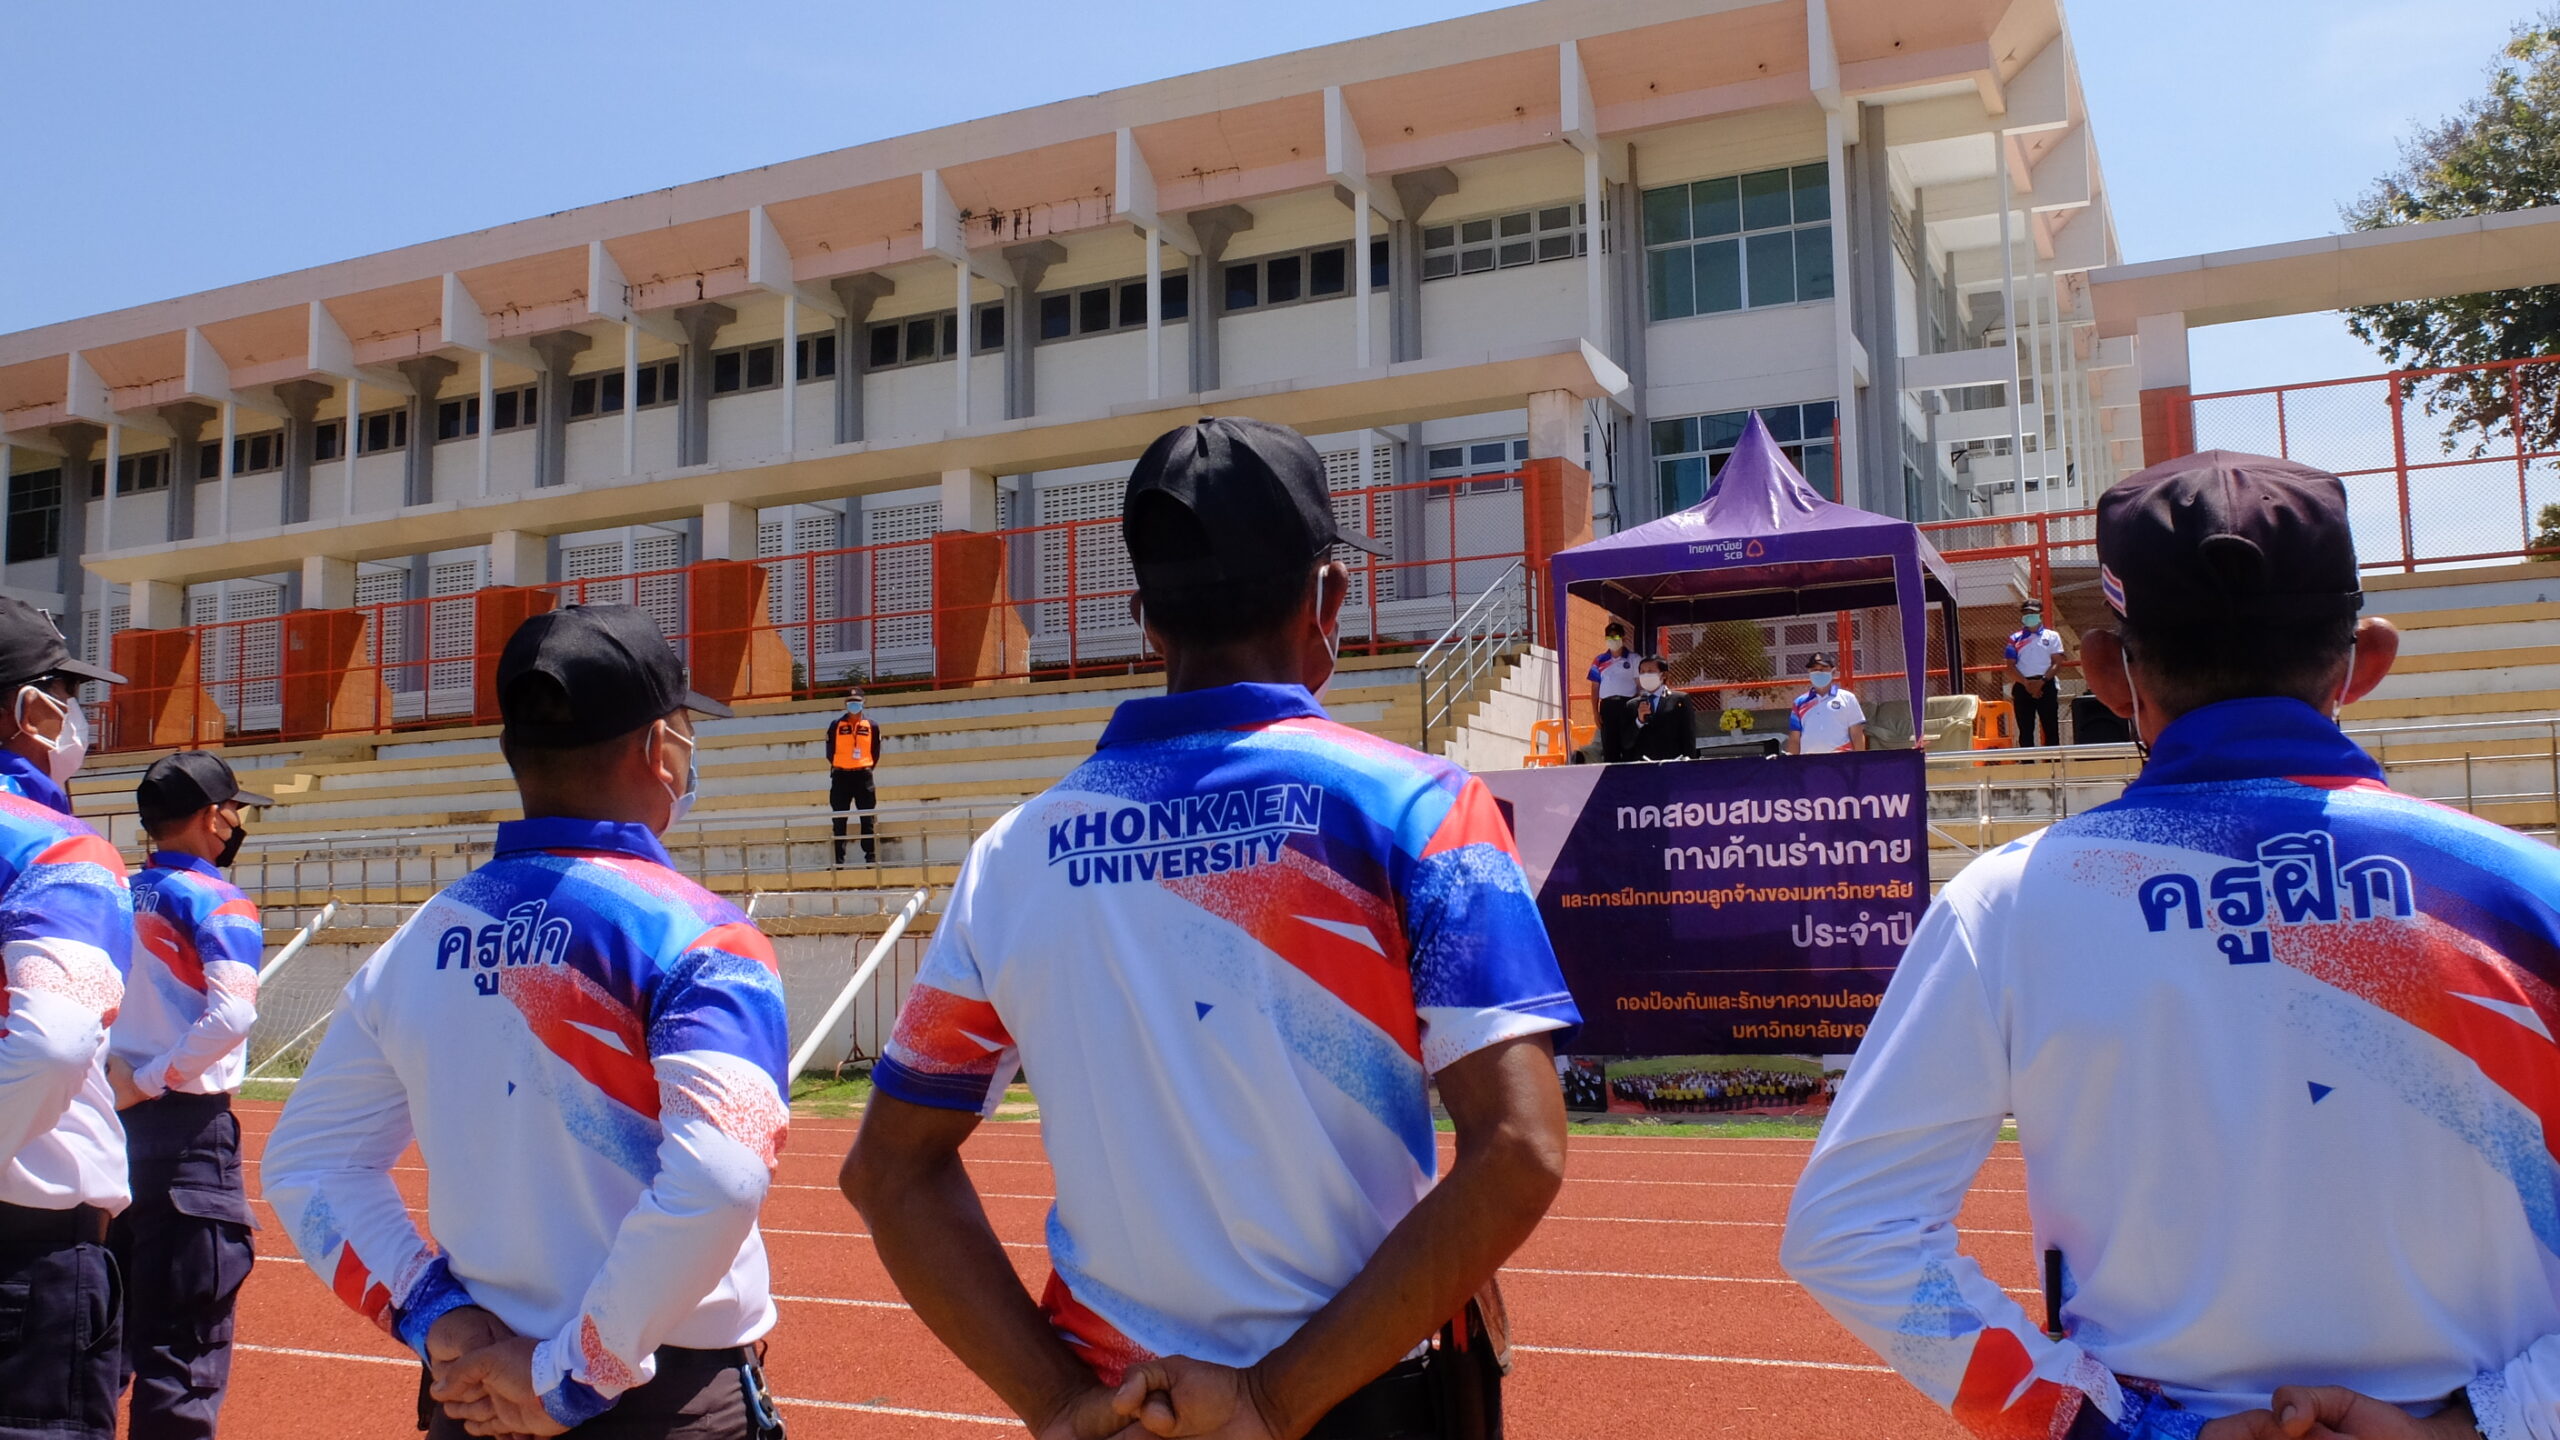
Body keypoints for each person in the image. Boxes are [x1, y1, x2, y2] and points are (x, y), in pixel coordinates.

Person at [1781, 450, 2560, 1440]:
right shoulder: (2531, 896)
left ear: (2107, 673)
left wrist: (2111, 1431)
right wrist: (2483, 1427)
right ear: (2366, 659)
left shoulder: (2010, 904)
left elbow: (1849, 1229)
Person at [840, 417, 1581, 1440]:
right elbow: (1521, 1147)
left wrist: (1056, 1403)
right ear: (1328, 597)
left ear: (1145, 621)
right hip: (1355, 1402)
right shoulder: (1421, 809)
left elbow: (887, 1170)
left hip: (1120, 1410)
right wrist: (1270, 1401)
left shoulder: (1013, 855)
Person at [263, 605, 791, 1440]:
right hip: (655, 1402)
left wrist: (434, 1315)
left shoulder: (417, 940)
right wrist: (570, 1376)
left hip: (471, 1394)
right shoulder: (705, 938)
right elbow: (722, 1177)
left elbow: (307, 1164)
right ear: (661, 749)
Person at [107, 750, 273, 1440]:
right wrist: (150, 1080)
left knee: (99, 1342)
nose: (236, 824)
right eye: (233, 810)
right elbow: (233, 1015)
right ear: (212, 816)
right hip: (185, 1134)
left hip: (107, 1126)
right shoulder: (216, 898)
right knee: (184, 1353)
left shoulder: (114, 893)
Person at [0, 598, 133, 1440]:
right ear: (27, 707)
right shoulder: (55, 844)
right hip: (27, 1257)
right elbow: (55, 1043)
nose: (73, 713)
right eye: (63, 691)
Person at [824, 687, 882, 865]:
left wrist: (865, 766)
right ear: (845, 704)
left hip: (863, 776)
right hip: (841, 776)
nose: (853, 705)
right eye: (850, 702)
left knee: (867, 817)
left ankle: (870, 857)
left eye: (857, 702)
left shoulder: (872, 726)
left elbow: (876, 751)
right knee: (839, 819)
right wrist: (842, 765)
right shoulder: (836, 725)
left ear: (864, 703)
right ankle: (838, 860)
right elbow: (830, 751)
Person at [2005, 600, 2067, 747]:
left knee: (2051, 728)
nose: (2029, 615)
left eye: (2032, 612)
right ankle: (2028, 760)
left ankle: (2053, 759)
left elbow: (2057, 662)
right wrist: (2026, 683)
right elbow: (2010, 666)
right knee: (2025, 730)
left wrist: (2042, 682)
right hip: (2022, 686)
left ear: (2041, 614)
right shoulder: (2014, 638)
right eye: (2025, 613)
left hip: (2046, 685)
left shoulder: (2052, 636)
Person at [1784, 652, 1865, 755]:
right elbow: (1795, 739)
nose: (1818, 672)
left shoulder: (1848, 698)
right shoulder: (1799, 702)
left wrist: (1860, 761)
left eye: (1823, 669)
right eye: (1814, 670)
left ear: (1833, 671)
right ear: (1809, 672)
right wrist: (1793, 763)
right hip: (1809, 761)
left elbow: (1857, 734)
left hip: (1841, 760)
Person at [1587, 620, 1640, 762]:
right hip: (1607, 708)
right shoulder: (1599, 660)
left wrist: (1636, 705)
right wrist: (1595, 712)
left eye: (1616, 636)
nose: (1612, 640)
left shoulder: (1634, 659)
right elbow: (1595, 687)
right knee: (1610, 749)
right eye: (1609, 637)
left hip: (1628, 705)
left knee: (1629, 746)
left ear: (1623, 638)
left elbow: (1640, 686)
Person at [1628, 656, 1696, 762]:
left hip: (1673, 763)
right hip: (1643, 765)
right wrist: (1639, 721)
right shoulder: (1632, 705)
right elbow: (1626, 743)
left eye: (1650, 671)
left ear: (1663, 675)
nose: (1645, 675)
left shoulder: (1679, 699)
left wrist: (1689, 763)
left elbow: (1688, 736)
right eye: (1642, 672)